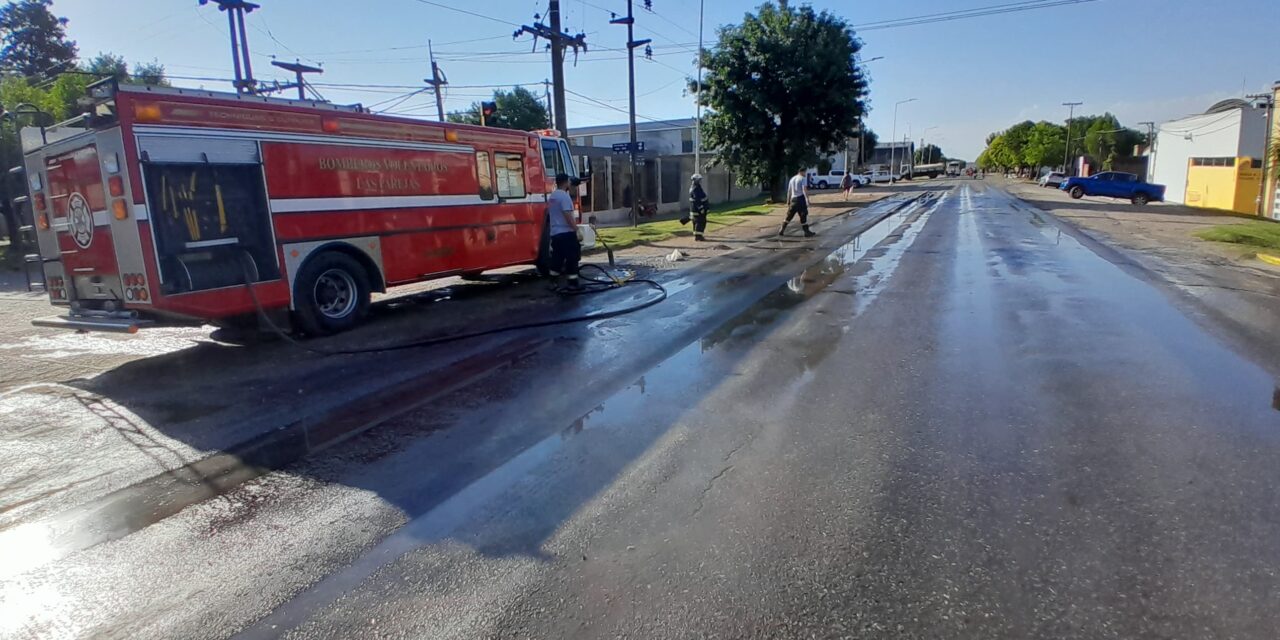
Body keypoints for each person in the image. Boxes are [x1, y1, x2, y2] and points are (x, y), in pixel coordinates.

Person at [546, 173, 582, 290]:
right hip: (566, 233)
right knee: (572, 258)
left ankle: (553, 282)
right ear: (566, 182)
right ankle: (573, 284)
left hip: (555, 233)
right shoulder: (564, 197)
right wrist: (576, 230)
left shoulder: (553, 196)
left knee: (557, 258)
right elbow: (567, 215)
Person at [780, 167, 816, 237]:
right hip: (800, 199)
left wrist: (788, 201)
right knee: (803, 215)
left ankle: (782, 229)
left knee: (789, 216)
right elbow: (804, 190)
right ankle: (806, 232)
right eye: (805, 172)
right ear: (802, 172)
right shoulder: (802, 178)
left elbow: (789, 191)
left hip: (793, 199)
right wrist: (807, 200)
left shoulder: (792, 179)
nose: (805, 174)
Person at [683, 173, 710, 241]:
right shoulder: (696, 188)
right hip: (697, 209)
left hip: (695, 208)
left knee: (696, 222)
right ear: (696, 180)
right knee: (700, 222)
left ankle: (697, 235)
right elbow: (697, 199)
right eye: (699, 179)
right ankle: (698, 236)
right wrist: (701, 208)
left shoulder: (694, 187)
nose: (700, 181)